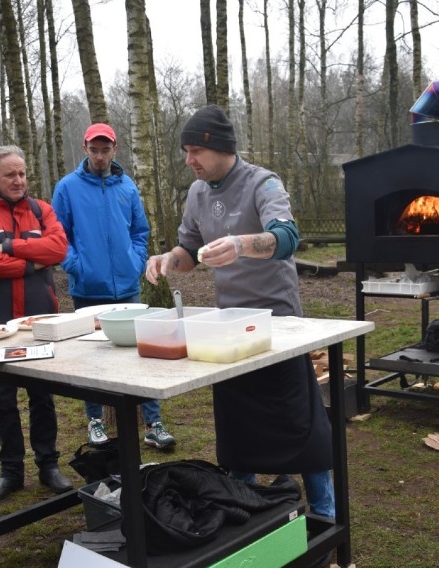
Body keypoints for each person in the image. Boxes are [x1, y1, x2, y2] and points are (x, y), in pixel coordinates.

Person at [145, 105, 335, 522]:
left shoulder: (263, 183)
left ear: (221, 148)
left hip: (279, 325)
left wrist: (242, 245)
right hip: (228, 329)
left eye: (196, 150)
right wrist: (166, 261)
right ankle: (244, 509)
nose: (188, 160)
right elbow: (190, 253)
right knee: (237, 429)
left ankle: (325, 515)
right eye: (185, 151)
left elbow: (287, 236)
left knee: (303, 428)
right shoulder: (196, 193)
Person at [0, 145, 72, 504]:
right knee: (2, 400)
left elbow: (57, 250)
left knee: (43, 396)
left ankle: (49, 465)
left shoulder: (42, 209)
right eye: (10, 174)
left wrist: (6, 247)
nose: (18, 180)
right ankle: (11, 472)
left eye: (22, 173)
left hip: (39, 319)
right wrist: (28, 262)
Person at [51, 123, 176, 450]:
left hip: (127, 287)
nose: (100, 155)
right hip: (87, 290)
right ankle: (95, 421)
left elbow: (139, 231)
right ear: (85, 148)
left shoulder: (127, 187)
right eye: (94, 149)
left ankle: (152, 422)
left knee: (141, 354)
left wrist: (135, 262)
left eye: (105, 149)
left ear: (114, 149)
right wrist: (77, 266)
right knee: (91, 357)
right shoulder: (67, 187)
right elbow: (58, 236)